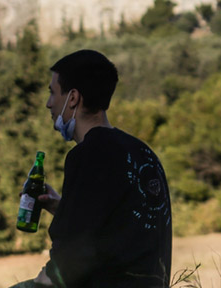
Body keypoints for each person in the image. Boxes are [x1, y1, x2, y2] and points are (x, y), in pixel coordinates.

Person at [21, 49, 173, 288]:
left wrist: (42, 281)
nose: (48, 103)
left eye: (52, 93)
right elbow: (119, 229)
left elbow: (74, 253)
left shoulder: (88, 155)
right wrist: (61, 207)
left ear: (73, 98)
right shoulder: (143, 153)